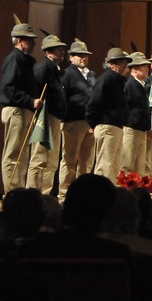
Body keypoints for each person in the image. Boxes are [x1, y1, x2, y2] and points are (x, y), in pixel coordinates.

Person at [0, 19, 42, 192]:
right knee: (13, 154)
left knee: (22, 155)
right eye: (29, 39)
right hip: (16, 110)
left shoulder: (24, 60)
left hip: (23, 110)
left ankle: (19, 192)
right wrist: (30, 101)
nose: (33, 43)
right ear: (19, 40)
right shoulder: (14, 59)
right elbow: (9, 88)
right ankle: (12, 193)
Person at [28, 34, 67, 194]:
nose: (62, 52)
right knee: (39, 157)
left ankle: (45, 193)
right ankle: (33, 192)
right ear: (49, 52)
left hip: (54, 117)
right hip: (44, 117)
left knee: (51, 160)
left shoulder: (55, 70)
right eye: (59, 49)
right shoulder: (43, 68)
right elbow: (34, 89)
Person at [86, 47, 131, 183]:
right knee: (105, 165)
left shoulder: (118, 81)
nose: (124, 66)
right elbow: (93, 103)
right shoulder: (106, 79)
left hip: (115, 127)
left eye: (124, 63)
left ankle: (110, 197)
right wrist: (93, 123)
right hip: (107, 126)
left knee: (113, 166)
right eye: (121, 62)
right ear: (112, 64)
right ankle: (100, 199)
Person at [59, 38, 95, 201]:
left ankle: (84, 193)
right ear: (71, 57)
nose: (83, 58)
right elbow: (63, 97)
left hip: (89, 123)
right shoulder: (68, 74)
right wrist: (64, 119)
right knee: (69, 159)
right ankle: (64, 194)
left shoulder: (91, 75)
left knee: (87, 161)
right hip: (73, 121)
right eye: (79, 55)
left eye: (85, 55)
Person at [122, 52, 152, 175]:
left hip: (141, 130)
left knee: (139, 167)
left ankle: (136, 192)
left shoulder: (142, 85)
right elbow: (125, 107)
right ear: (134, 69)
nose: (147, 69)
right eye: (144, 66)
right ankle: (123, 191)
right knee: (127, 164)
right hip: (131, 130)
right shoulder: (129, 85)